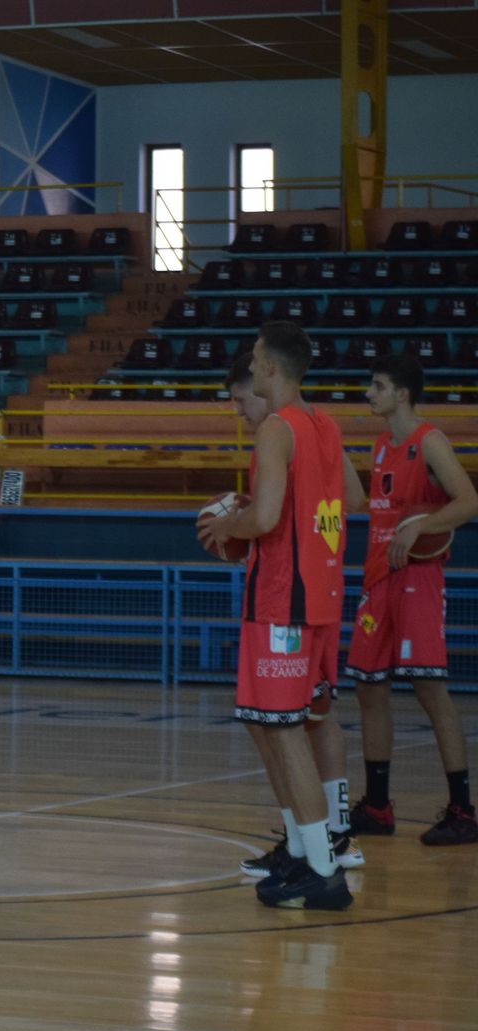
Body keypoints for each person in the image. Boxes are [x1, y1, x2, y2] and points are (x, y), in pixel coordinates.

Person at [198, 321, 352, 910]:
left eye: (258, 358)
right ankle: (305, 849)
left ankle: (322, 867)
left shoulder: (278, 430)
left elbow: (262, 520)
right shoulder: (326, 425)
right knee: (273, 726)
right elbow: (350, 501)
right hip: (322, 595)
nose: (253, 365)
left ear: (273, 368)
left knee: (285, 733)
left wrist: (225, 526)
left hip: (283, 598)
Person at [345, 353, 478, 845]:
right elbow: (368, 506)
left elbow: (469, 501)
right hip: (377, 580)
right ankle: (378, 806)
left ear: (402, 393)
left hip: (418, 580)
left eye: (377, 386)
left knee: (430, 691)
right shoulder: (381, 446)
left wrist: (423, 524)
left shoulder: (430, 441)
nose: (369, 393)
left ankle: (464, 811)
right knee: (368, 689)